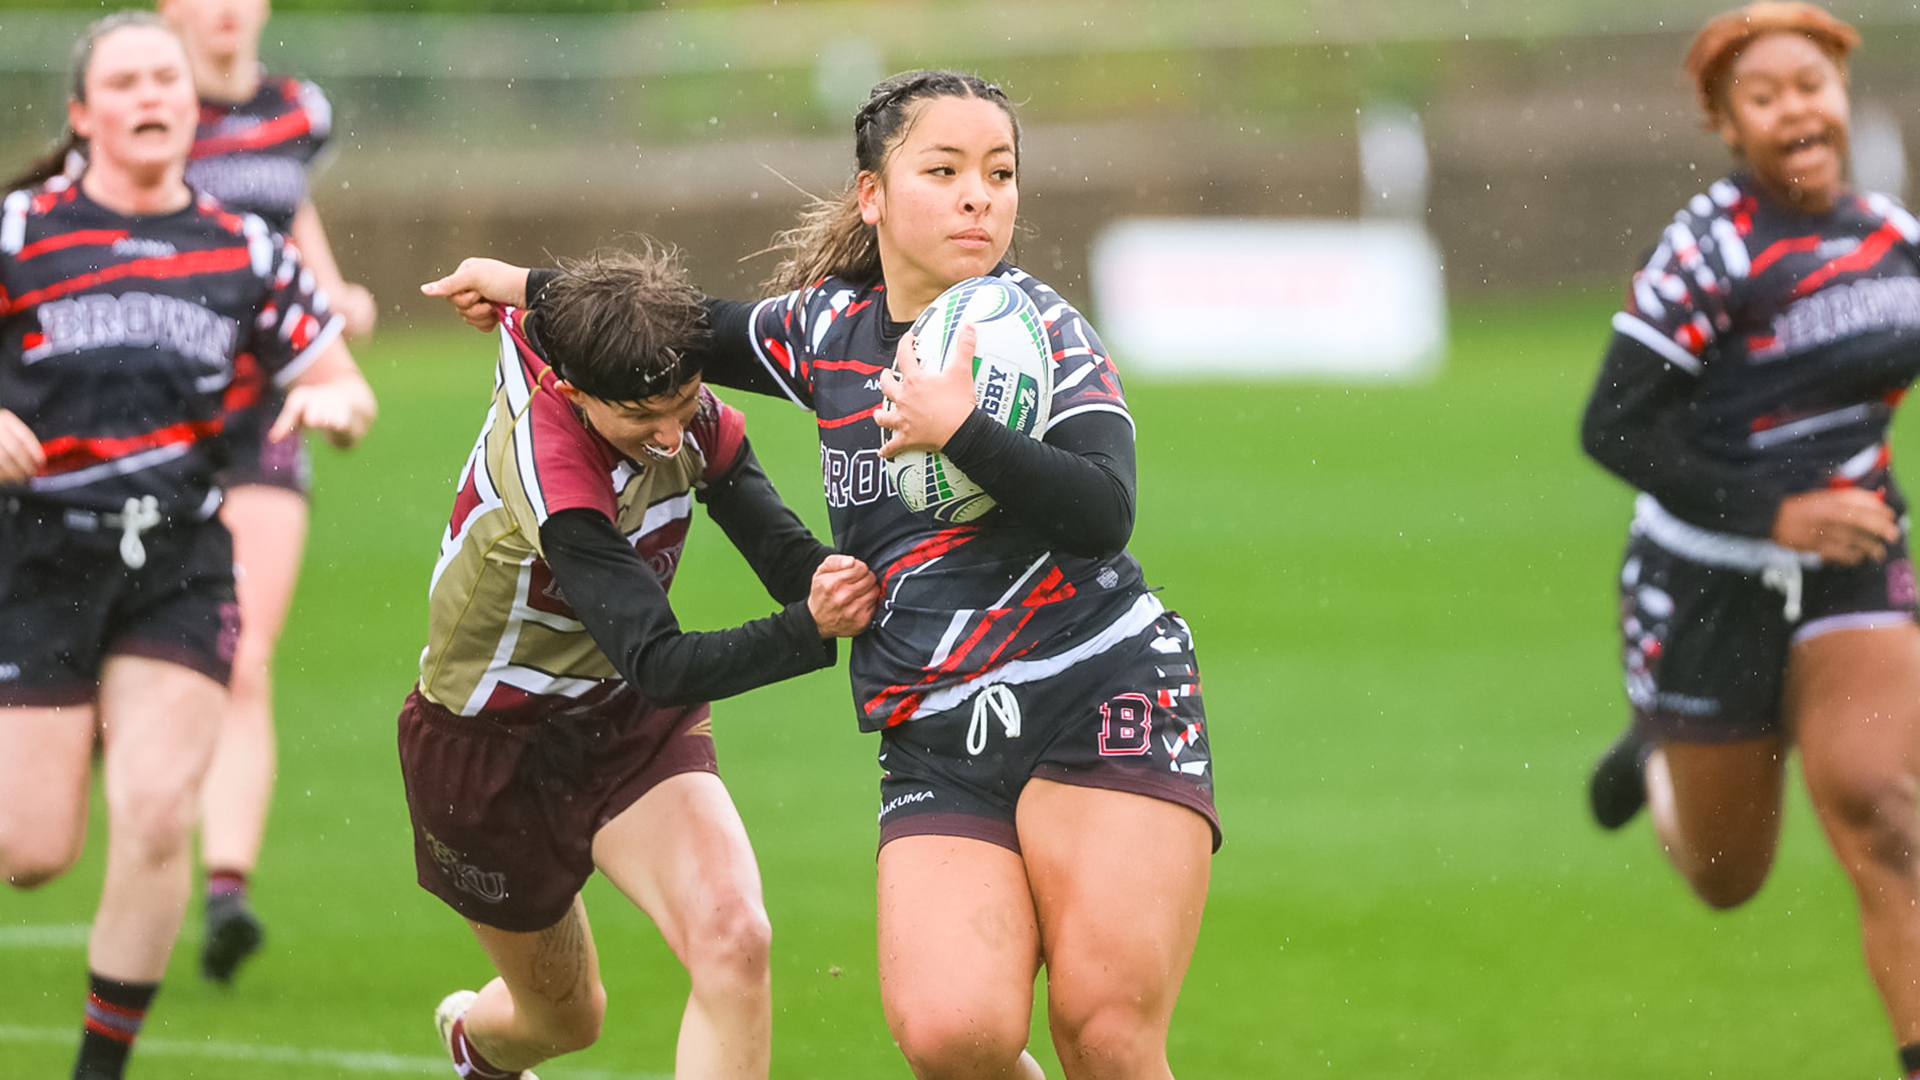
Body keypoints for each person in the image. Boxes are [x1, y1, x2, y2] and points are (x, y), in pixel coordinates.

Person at [425, 68, 1218, 1080]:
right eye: (945, 169)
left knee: (1102, 1032)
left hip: (1095, 686)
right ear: (872, 196)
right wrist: (529, 286)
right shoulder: (827, 331)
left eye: (1000, 172)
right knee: (951, 1037)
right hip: (935, 720)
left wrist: (960, 429)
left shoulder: (1041, 331)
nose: (981, 194)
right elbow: (679, 325)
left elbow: (1103, 515)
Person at [0, 12, 377, 1080]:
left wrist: (339, 407)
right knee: (31, 852)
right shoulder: (22, 233)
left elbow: (335, 372)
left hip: (178, 560)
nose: (151, 94)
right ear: (83, 115)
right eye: (124, 82)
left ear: (189, 105)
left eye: (164, 78)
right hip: (35, 560)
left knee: (160, 811)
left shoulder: (242, 248)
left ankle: (97, 1071)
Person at [401, 245, 880, 1080]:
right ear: (574, 390)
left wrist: (853, 580)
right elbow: (662, 659)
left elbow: (774, 545)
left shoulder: (654, 377)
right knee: (567, 1019)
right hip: (488, 745)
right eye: (640, 419)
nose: (670, 435)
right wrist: (811, 628)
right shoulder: (556, 475)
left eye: (684, 402)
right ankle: (478, 1049)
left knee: (735, 939)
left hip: (623, 719)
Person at [1579, 4, 1920, 1075]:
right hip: (1709, 577)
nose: (1794, 109)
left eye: (1809, 85)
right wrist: (1773, 512)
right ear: (1729, 126)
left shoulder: (1894, 245)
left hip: (1852, 566)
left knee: (1887, 815)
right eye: (1763, 98)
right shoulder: (1705, 251)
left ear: (1842, 98)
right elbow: (1614, 427)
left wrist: (1826, 507)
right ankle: (1662, 758)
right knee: (1728, 875)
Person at [158, 0, 378, 984]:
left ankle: (226, 891)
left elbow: (292, 221)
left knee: (242, 653)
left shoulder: (297, 110)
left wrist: (334, 303)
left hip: (264, 422)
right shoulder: (148, 109)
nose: (220, 10)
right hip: (156, 422)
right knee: (132, 659)